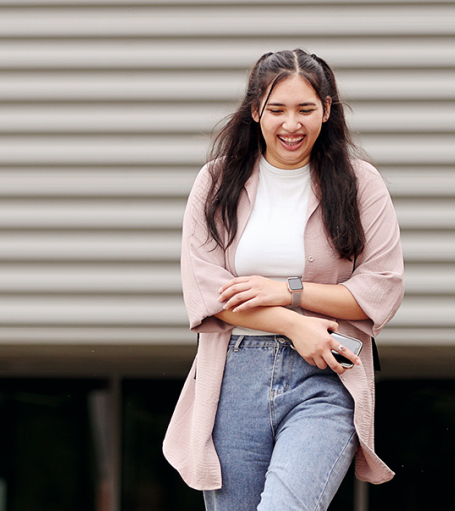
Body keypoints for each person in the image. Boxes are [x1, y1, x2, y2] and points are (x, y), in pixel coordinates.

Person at [163, 48, 404, 510]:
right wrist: (294, 323)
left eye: (305, 109)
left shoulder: (361, 183)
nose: (290, 124)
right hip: (234, 375)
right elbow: (206, 292)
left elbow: (383, 287)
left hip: (325, 376)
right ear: (255, 111)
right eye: (277, 110)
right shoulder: (216, 182)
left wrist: (289, 290)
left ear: (327, 110)